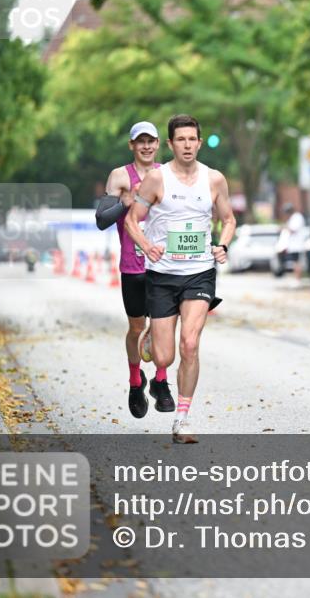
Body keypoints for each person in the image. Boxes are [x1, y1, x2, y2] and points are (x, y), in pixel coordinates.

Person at [125, 114, 235, 444]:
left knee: (189, 343)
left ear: (199, 143)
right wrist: (146, 245)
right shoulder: (157, 180)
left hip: (199, 273)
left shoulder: (214, 180)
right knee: (164, 357)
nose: (187, 145)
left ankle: (182, 419)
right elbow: (133, 219)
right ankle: (150, 337)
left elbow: (228, 219)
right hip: (162, 275)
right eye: (181, 140)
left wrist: (223, 245)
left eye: (192, 139)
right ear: (170, 144)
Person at [96, 121, 174, 419]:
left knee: (163, 328)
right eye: (140, 141)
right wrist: (125, 203)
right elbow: (102, 219)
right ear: (132, 145)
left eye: (151, 141)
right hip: (133, 266)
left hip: (164, 264)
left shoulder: (166, 174)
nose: (146, 146)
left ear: (158, 144)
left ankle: (162, 382)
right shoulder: (119, 176)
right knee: (137, 329)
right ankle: (134, 381)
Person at [282, 203, 308, 283]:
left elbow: (293, 229)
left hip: (298, 245)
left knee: (297, 263)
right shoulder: (293, 218)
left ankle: (298, 279)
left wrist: (284, 228)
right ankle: (297, 279)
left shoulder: (297, 217)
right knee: (295, 263)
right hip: (294, 245)